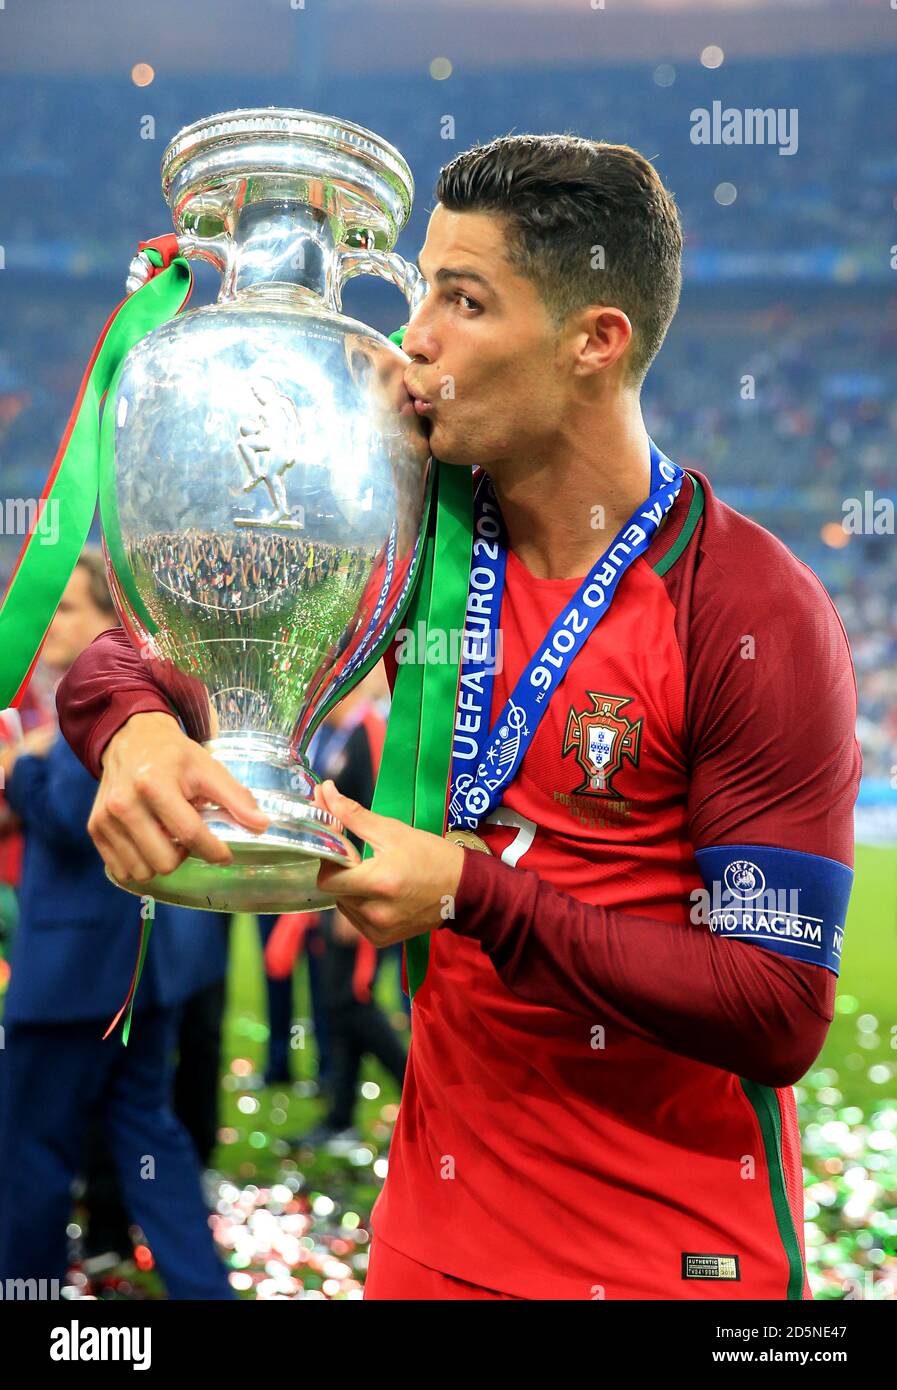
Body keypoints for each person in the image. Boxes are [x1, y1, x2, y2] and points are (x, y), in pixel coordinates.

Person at [56, 136, 860, 1301]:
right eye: (421, 286)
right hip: (432, 1243)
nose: (412, 334)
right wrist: (135, 736)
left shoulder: (747, 606)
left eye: (463, 299)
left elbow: (776, 1005)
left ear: (595, 340)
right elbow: (125, 660)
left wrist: (471, 894)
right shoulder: (414, 539)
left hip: (674, 1260)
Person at [0, 550, 232, 1299]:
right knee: (150, 1139)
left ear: (109, 614)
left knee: (31, 1151)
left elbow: (71, 816)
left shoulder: (98, 693)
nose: (51, 624)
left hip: (77, 977)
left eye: (68, 608)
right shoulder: (153, 692)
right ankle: (203, 1287)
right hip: (140, 970)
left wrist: (19, 768)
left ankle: (25, 1287)